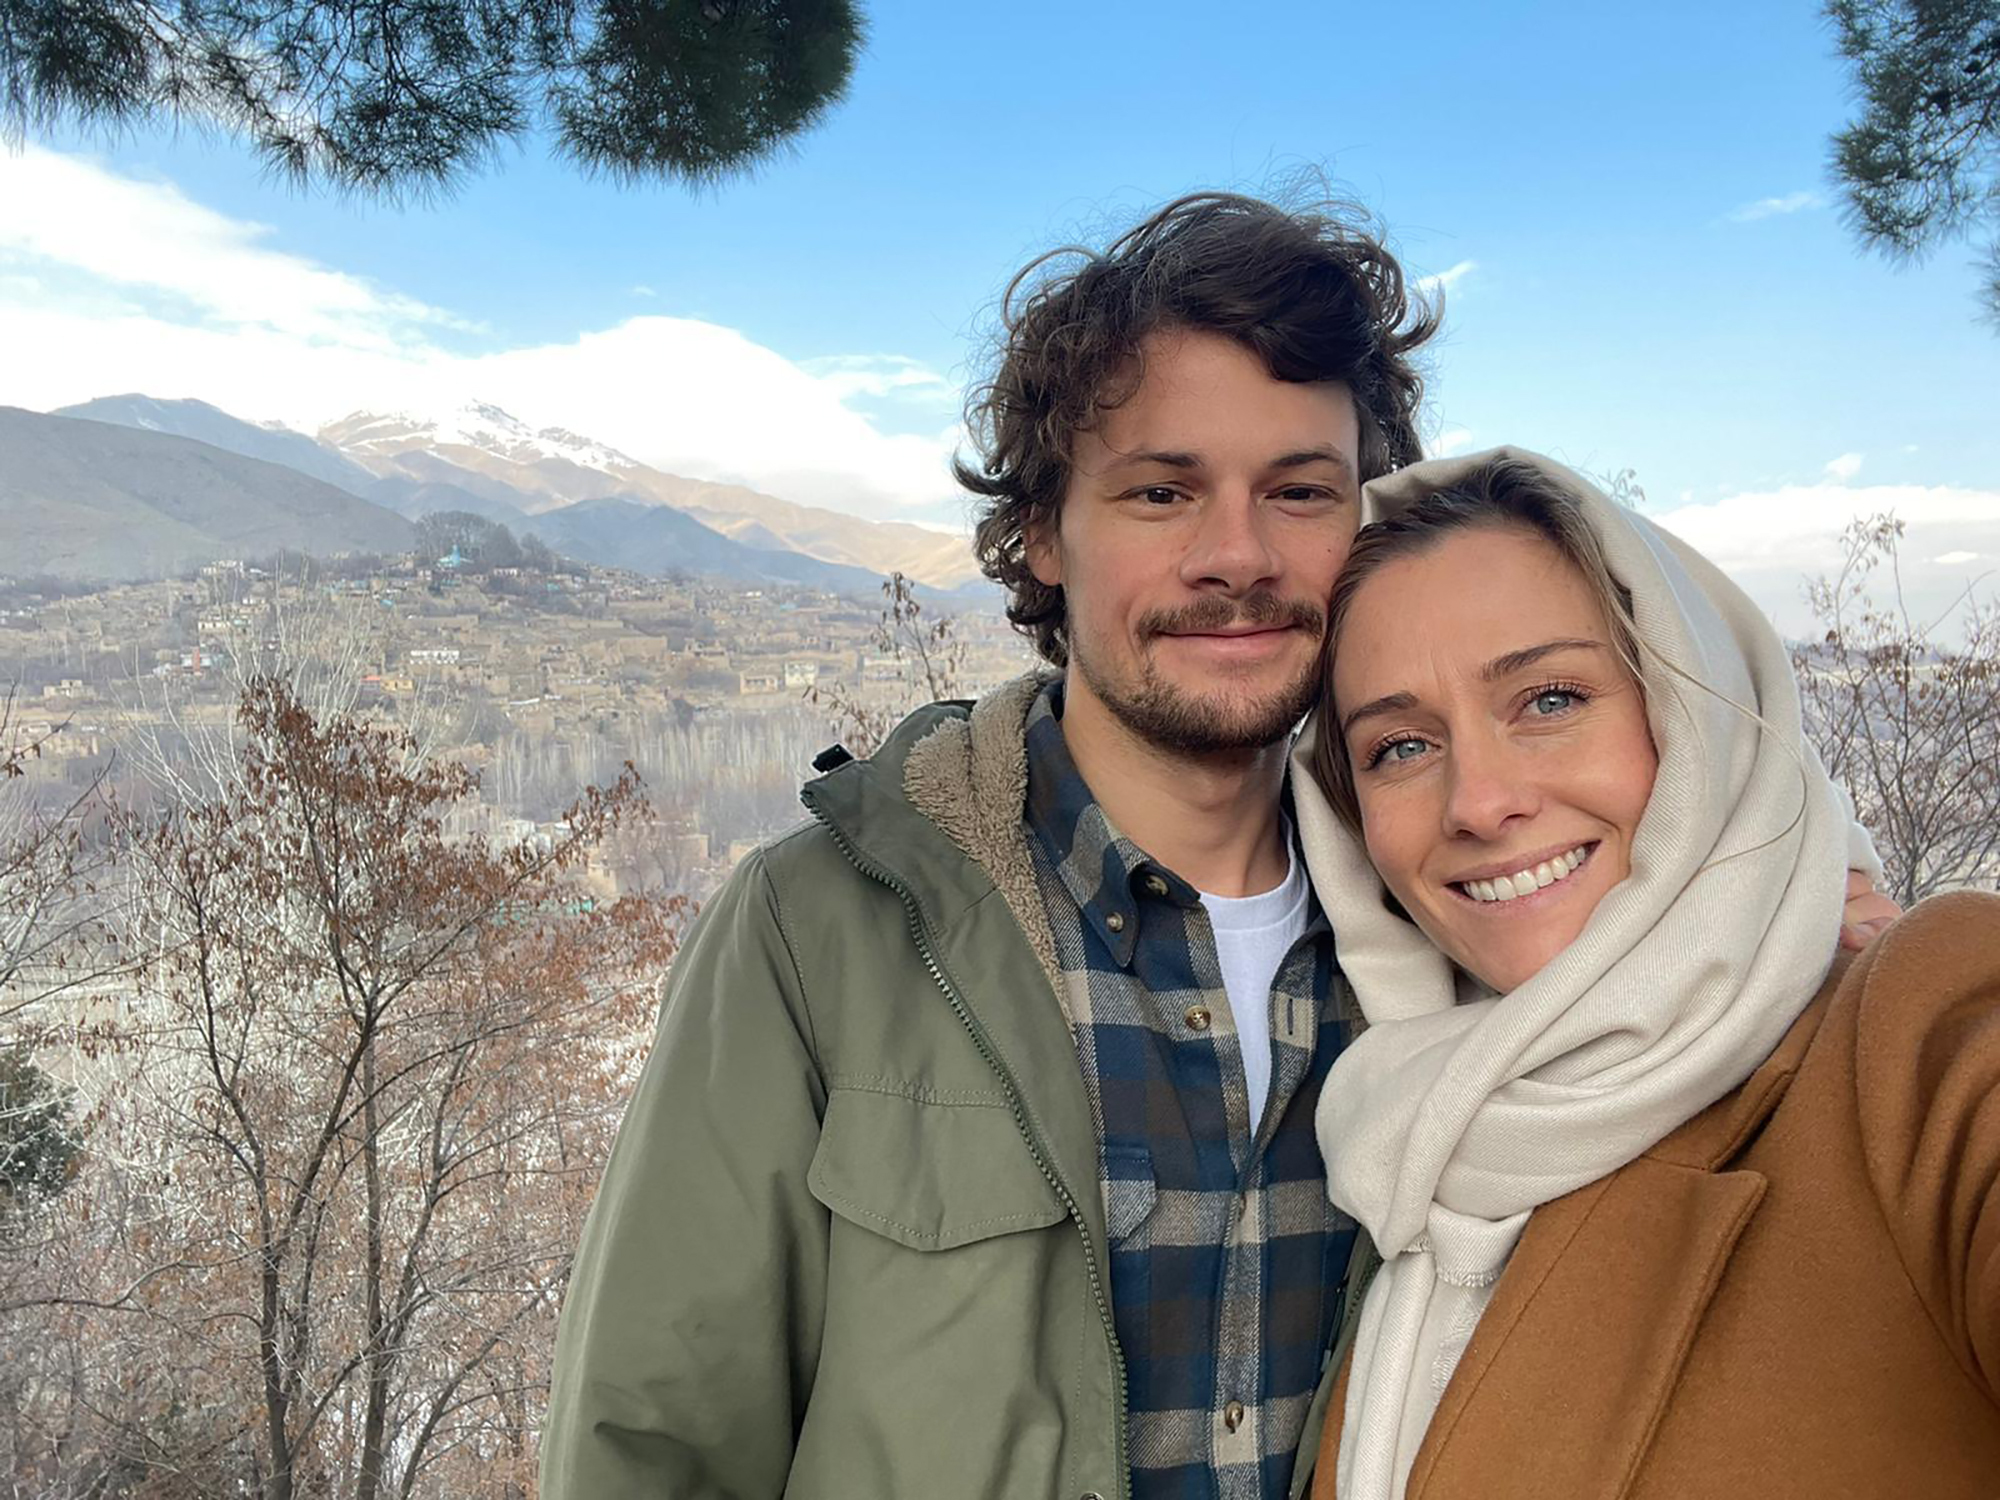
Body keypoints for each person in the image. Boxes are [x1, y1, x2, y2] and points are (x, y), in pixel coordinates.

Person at [540, 194, 1897, 1500]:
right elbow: (651, 1449)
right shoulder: (820, 936)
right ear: (1041, 537)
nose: (1236, 556)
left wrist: (1799, 897)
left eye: (1301, 491)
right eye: (1160, 494)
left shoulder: (1477, 935)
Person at [1291, 449, 1998, 1499]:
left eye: (1548, 698)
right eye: (1398, 747)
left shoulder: (1920, 1030)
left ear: (1690, 709)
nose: (1477, 803)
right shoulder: (1396, 1127)